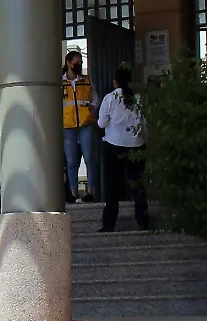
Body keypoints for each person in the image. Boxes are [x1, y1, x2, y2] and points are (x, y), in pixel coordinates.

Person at [95, 65, 149, 232]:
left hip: (113, 145)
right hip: (136, 145)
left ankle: (109, 224)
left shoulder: (110, 99)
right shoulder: (139, 98)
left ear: (115, 82)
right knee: (138, 185)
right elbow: (144, 122)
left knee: (112, 186)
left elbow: (101, 123)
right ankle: (143, 221)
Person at [62, 50, 98, 202]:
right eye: (77, 63)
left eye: (81, 63)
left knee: (89, 158)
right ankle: (74, 193)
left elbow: (96, 100)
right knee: (71, 162)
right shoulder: (60, 84)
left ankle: (90, 192)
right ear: (69, 63)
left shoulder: (87, 81)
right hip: (68, 126)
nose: (79, 66)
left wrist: (90, 106)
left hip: (85, 124)